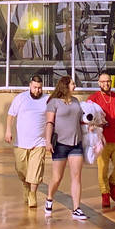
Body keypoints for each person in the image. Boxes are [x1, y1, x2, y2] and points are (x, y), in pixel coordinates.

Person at [44, 76, 87, 221]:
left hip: (76, 143)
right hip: (60, 143)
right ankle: (49, 198)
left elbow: (82, 119)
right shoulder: (53, 102)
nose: (75, 86)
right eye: (73, 84)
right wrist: (48, 141)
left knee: (77, 176)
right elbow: (49, 122)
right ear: (65, 86)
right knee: (57, 177)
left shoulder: (76, 101)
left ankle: (76, 209)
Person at [87, 71, 115, 208]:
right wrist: (91, 126)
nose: (106, 84)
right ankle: (105, 194)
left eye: (108, 81)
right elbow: (86, 115)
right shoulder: (93, 98)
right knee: (102, 170)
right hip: (101, 140)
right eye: (103, 81)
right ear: (99, 83)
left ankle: (112, 184)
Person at [5, 74, 48, 209]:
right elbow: (11, 115)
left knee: (35, 170)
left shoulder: (47, 100)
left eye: (40, 88)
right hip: (21, 143)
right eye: (35, 87)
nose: (37, 90)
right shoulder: (20, 98)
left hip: (39, 142)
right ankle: (26, 185)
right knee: (21, 169)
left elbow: (52, 118)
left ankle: (33, 194)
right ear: (30, 85)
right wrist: (8, 131)